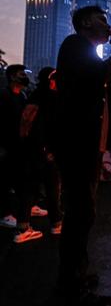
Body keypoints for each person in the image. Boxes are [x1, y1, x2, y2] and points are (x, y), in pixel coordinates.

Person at [55, 5, 111, 306]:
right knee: (80, 214)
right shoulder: (74, 46)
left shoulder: (91, 57)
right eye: (102, 18)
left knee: (81, 213)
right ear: (85, 22)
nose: (108, 22)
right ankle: (75, 293)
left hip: (88, 145)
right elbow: (98, 77)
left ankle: (70, 278)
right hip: (78, 144)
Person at [15, 67, 63, 242]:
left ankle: (22, 229)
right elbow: (57, 127)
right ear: (52, 81)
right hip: (47, 150)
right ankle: (57, 224)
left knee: (29, 188)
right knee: (52, 188)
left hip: (29, 149)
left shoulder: (33, 96)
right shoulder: (53, 98)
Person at [0, 65, 30, 230]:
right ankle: (4, 214)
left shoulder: (22, 96)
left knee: (19, 179)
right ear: (12, 77)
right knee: (4, 180)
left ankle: (21, 210)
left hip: (19, 146)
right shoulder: (4, 96)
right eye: (21, 75)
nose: (24, 77)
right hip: (7, 145)